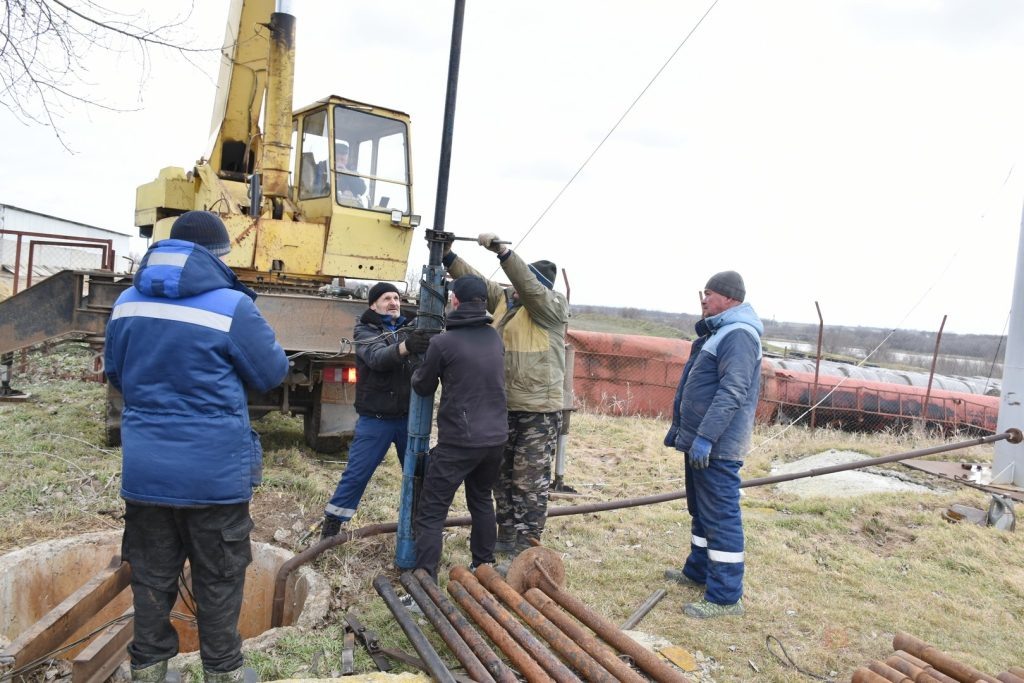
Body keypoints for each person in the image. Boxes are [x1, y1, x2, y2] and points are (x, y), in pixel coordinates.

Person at [104, 210, 289, 683]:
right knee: (220, 578)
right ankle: (223, 672)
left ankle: (147, 670)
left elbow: (117, 376)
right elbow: (271, 375)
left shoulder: (126, 303)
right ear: (219, 254)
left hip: (146, 474)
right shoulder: (231, 306)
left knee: (151, 577)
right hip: (215, 476)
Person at [442, 233, 568, 555]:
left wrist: (503, 252)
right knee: (501, 477)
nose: (515, 289)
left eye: (523, 284)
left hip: (538, 411)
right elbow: (476, 281)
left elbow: (528, 285)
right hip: (502, 407)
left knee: (529, 481)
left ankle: (527, 547)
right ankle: (506, 536)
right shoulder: (505, 304)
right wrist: (449, 257)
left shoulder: (550, 308)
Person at [663, 270, 763, 619]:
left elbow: (732, 390)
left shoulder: (739, 334)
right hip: (701, 441)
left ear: (730, 298)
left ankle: (724, 598)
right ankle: (698, 572)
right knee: (702, 511)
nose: (704, 299)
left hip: (717, 444)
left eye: (710, 293)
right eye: (703, 293)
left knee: (720, 517)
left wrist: (706, 437)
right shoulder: (720, 331)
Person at [411, 275, 507, 580]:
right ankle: (483, 565)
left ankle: (425, 582)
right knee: (481, 499)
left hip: (459, 442)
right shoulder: (494, 337)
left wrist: (419, 365)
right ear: (484, 303)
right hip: (495, 440)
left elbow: (423, 386)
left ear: (454, 301)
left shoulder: (443, 342)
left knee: (432, 511)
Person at [320, 282, 432, 539]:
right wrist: (407, 347)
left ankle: (419, 529)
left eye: (396, 298)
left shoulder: (411, 327)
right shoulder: (365, 330)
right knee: (357, 474)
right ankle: (332, 527)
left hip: (409, 420)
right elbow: (378, 358)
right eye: (386, 299)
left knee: (419, 476)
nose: (393, 302)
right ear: (373, 305)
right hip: (376, 420)